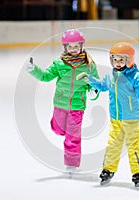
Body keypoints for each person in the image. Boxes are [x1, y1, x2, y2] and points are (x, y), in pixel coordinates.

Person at [76, 42, 139, 188]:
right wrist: (89, 79)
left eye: (121, 59)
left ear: (129, 60)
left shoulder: (136, 77)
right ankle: (108, 169)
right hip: (115, 118)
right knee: (113, 145)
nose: (117, 63)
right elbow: (101, 86)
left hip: (132, 118)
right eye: (115, 59)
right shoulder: (110, 76)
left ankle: (138, 173)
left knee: (133, 146)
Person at [25, 29, 100, 174]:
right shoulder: (59, 64)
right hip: (60, 104)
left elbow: (96, 84)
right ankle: (59, 129)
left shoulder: (89, 65)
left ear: (82, 46)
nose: (73, 49)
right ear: (65, 47)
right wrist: (33, 69)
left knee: (73, 135)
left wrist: (94, 93)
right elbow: (45, 77)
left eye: (76, 46)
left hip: (77, 106)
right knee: (58, 129)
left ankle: (71, 163)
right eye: (70, 47)